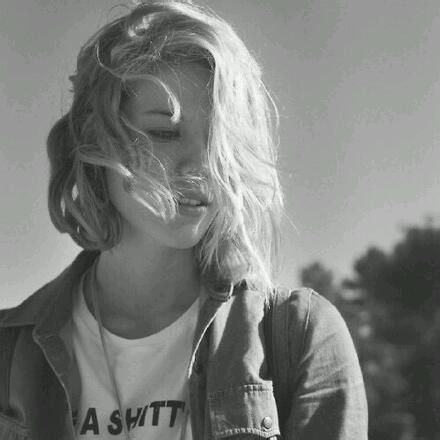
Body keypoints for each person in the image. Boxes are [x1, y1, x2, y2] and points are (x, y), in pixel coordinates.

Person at [0, 1, 368, 439]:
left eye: (221, 140)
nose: (201, 165)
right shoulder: (8, 357)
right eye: (165, 133)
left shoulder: (301, 337)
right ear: (97, 139)